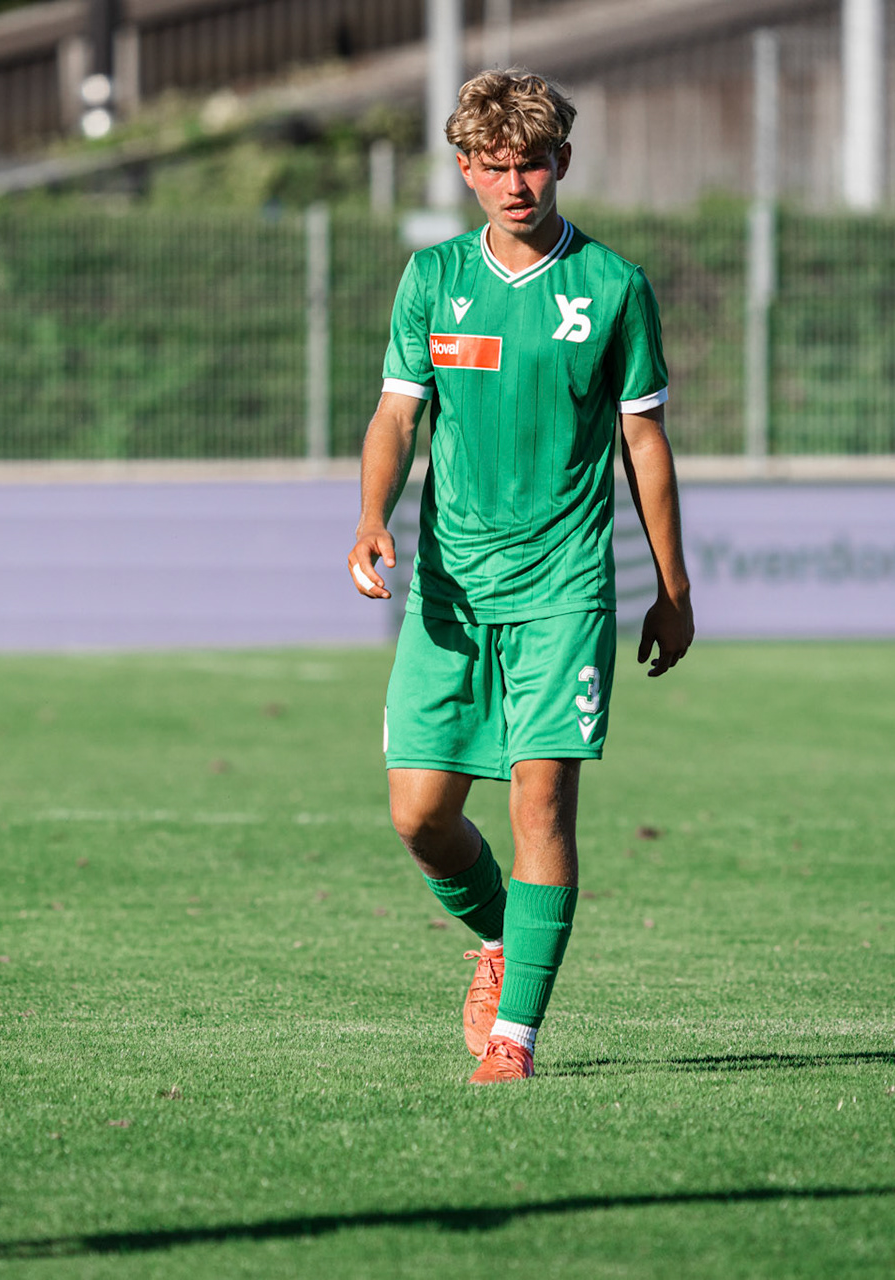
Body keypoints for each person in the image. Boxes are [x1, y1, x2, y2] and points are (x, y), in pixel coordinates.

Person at [347, 69, 692, 1085]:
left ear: (562, 163)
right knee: (418, 814)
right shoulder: (433, 278)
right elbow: (397, 414)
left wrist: (672, 588)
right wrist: (370, 516)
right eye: (494, 166)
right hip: (451, 589)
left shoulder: (614, 287)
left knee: (540, 803)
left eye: (532, 164)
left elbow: (645, 441)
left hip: (566, 586)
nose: (515, 184)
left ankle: (516, 1036)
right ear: (464, 168)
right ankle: (501, 938)